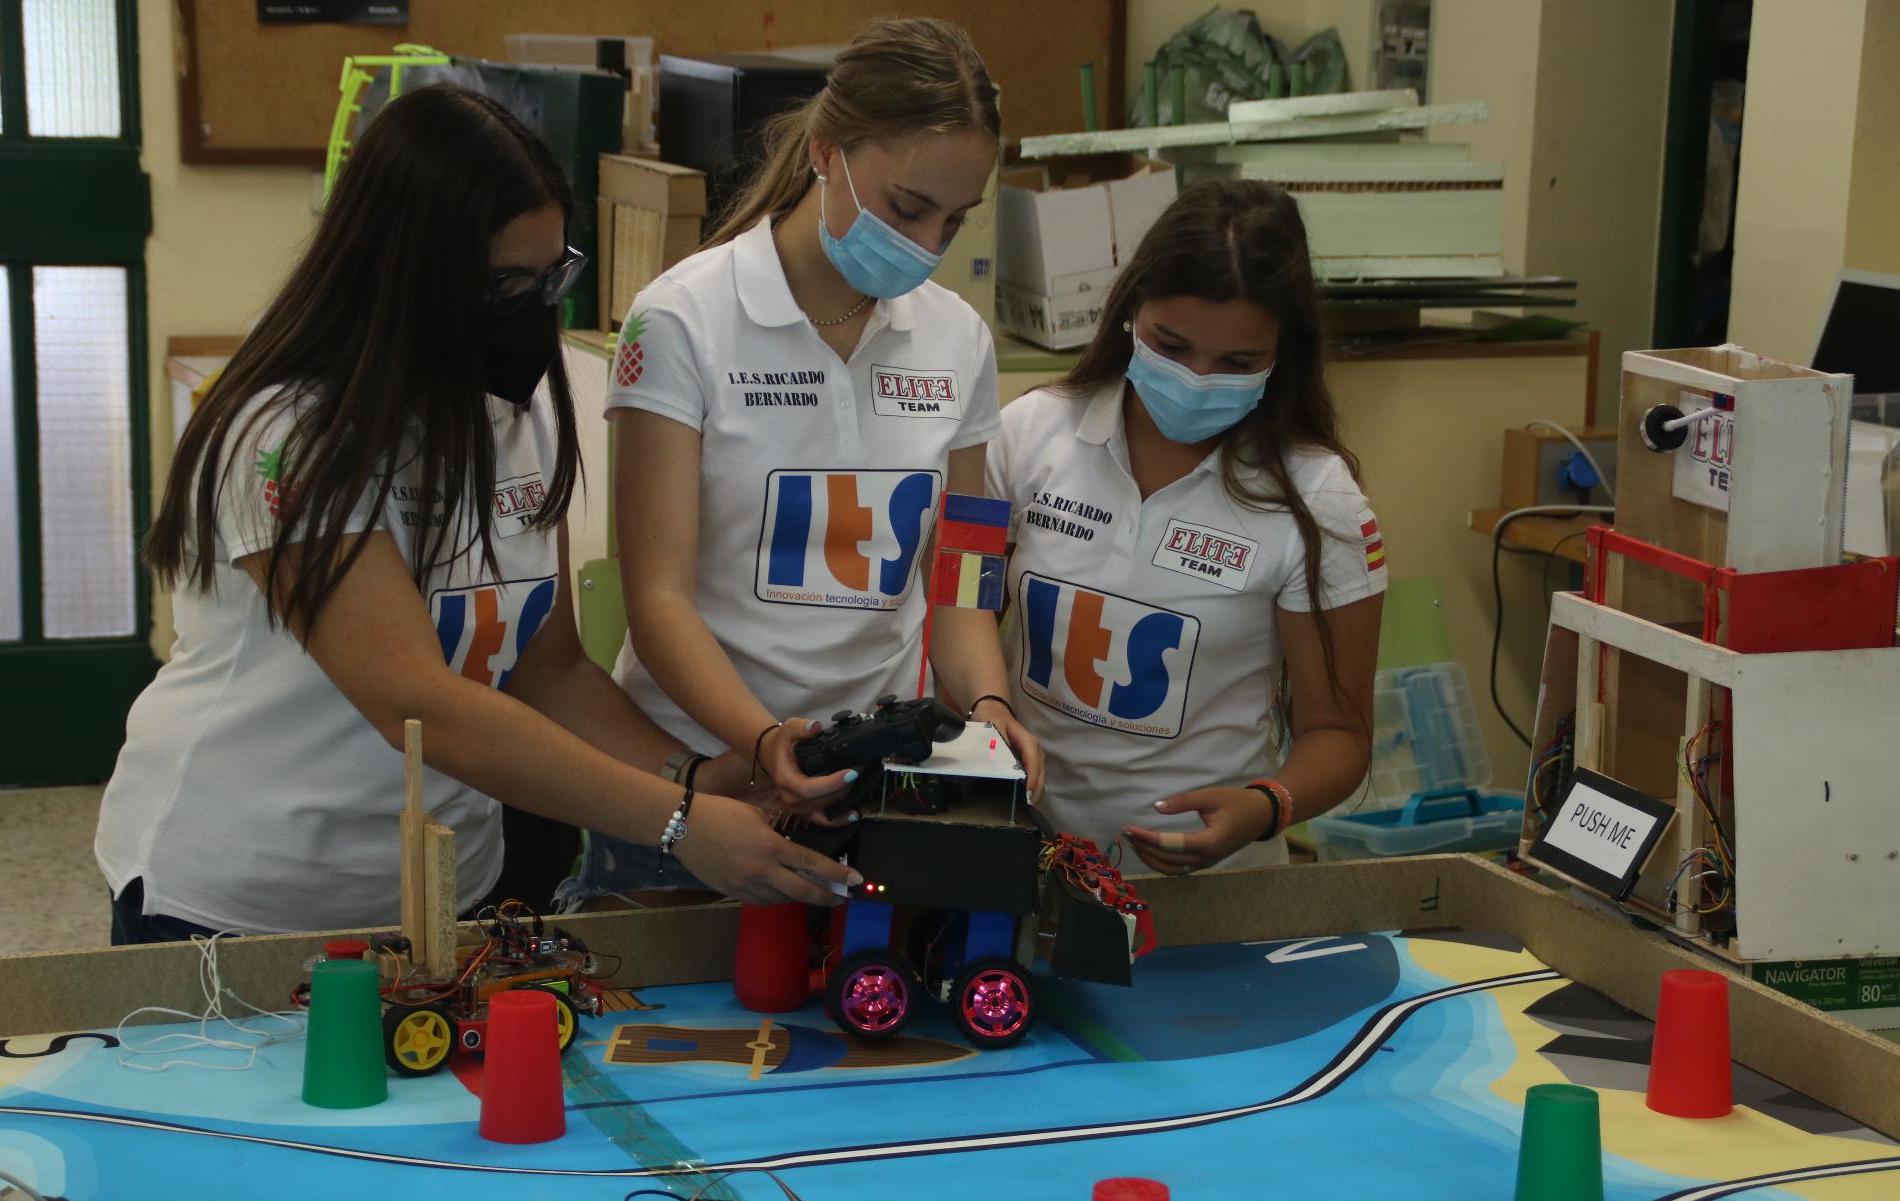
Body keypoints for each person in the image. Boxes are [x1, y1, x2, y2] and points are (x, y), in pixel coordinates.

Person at [96, 85, 855, 944]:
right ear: (403, 275)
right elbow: (420, 706)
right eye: (503, 284)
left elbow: (550, 668)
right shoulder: (285, 436)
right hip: (240, 899)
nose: (533, 311)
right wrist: (676, 823)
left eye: (550, 276)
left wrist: (692, 777)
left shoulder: (516, 407)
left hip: (441, 888)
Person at [581, 18, 1043, 902]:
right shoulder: (684, 319)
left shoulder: (959, 341)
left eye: (955, 220)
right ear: (826, 152)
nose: (926, 245)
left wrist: (988, 707)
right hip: (701, 785)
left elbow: (965, 571)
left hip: (876, 790)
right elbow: (658, 597)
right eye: (908, 209)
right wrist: (762, 743)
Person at [986, 179, 1386, 878]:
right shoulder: (1030, 434)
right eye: (1170, 346)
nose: (1197, 380)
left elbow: (1340, 735)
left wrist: (1265, 805)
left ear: (1282, 355)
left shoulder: (1319, 501)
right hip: (1025, 860)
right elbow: (959, 617)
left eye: (1237, 364)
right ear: (1130, 309)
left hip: (1210, 890)